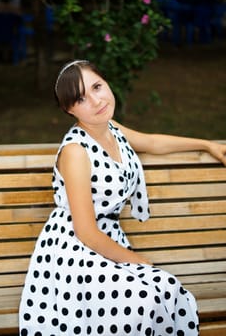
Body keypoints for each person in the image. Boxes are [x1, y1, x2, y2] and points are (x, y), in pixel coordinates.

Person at [19, 60, 226, 336]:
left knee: (165, 290)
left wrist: (206, 144)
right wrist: (138, 261)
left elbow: (152, 142)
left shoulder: (111, 129)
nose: (96, 100)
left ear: (106, 83)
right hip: (74, 254)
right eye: (81, 98)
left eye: (97, 87)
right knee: (144, 299)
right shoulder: (76, 151)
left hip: (107, 243)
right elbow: (86, 231)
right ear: (70, 109)